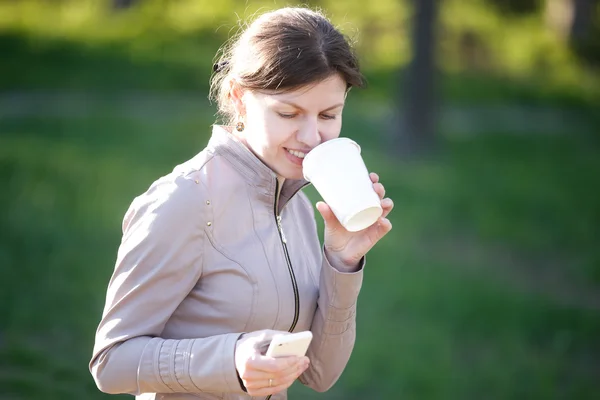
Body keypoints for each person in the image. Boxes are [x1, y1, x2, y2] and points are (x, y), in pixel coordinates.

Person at [89, 6, 394, 400]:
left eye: (329, 114)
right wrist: (230, 358)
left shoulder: (298, 201)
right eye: (289, 112)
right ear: (239, 97)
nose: (312, 135)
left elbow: (319, 374)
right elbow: (110, 363)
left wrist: (342, 261)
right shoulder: (183, 200)